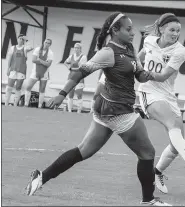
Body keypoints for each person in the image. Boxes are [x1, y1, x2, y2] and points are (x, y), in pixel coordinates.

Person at [25, 12, 171, 206]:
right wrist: (62, 94)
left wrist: (150, 74)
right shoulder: (108, 52)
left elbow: (139, 75)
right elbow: (80, 72)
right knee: (147, 153)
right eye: (128, 29)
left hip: (106, 109)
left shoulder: (129, 48)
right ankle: (148, 200)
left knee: (83, 151)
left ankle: (41, 177)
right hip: (118, 110)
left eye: (132, 29)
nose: (133, 32)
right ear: (115, 31)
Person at [137, 13, 185, 194]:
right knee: (171, 123)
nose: (175, 34)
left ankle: (157, 172)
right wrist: (135, 67)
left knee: (176, 142)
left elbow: (163, 75)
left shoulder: (180, 51)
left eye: (178, 31)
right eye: (172, 30)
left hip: (168, 95)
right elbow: (139, 57)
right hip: (148, 92)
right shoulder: (149, 40)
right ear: (161, 29)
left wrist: (145, 73)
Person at [5, 34, 33, 106]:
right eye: (20, 38)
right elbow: (9, 59)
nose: (21, 40)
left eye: (22, 39)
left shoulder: (25, 48)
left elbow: (31, 47)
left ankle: (15, 104)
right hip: (13, 70)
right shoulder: (12, 48)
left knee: (18, 88)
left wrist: (26, 40)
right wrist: (8, 68)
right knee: (9, 87)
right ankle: (6, 104)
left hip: (21, 71)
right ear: (17, 39)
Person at [24, 38, 53, 108]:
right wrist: (44, 62)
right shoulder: (37, 49)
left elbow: (48, 64)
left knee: (42, 89)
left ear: (50, 45)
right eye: (46, 42)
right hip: (35, 71)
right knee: (28, 87)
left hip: (45, 72)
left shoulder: (50, 53)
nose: (46, 44)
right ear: (43, 42)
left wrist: (39, 60)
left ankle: (40, 106)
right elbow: (33, 60)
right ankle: (26, 104)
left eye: (48, 43)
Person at [64, 43, 88, 113]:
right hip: (71, 76)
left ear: (80, 49)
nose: (76, 49)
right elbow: (66, 62)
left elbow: (82, 68)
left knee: (79, 94)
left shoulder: (83, 57)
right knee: (70, 94)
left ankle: (79, 111)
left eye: (78, 48)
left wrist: (73, 68)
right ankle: (69, 110)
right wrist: (69, 67)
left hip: (79, 77)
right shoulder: (71, 56)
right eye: (75, 48)